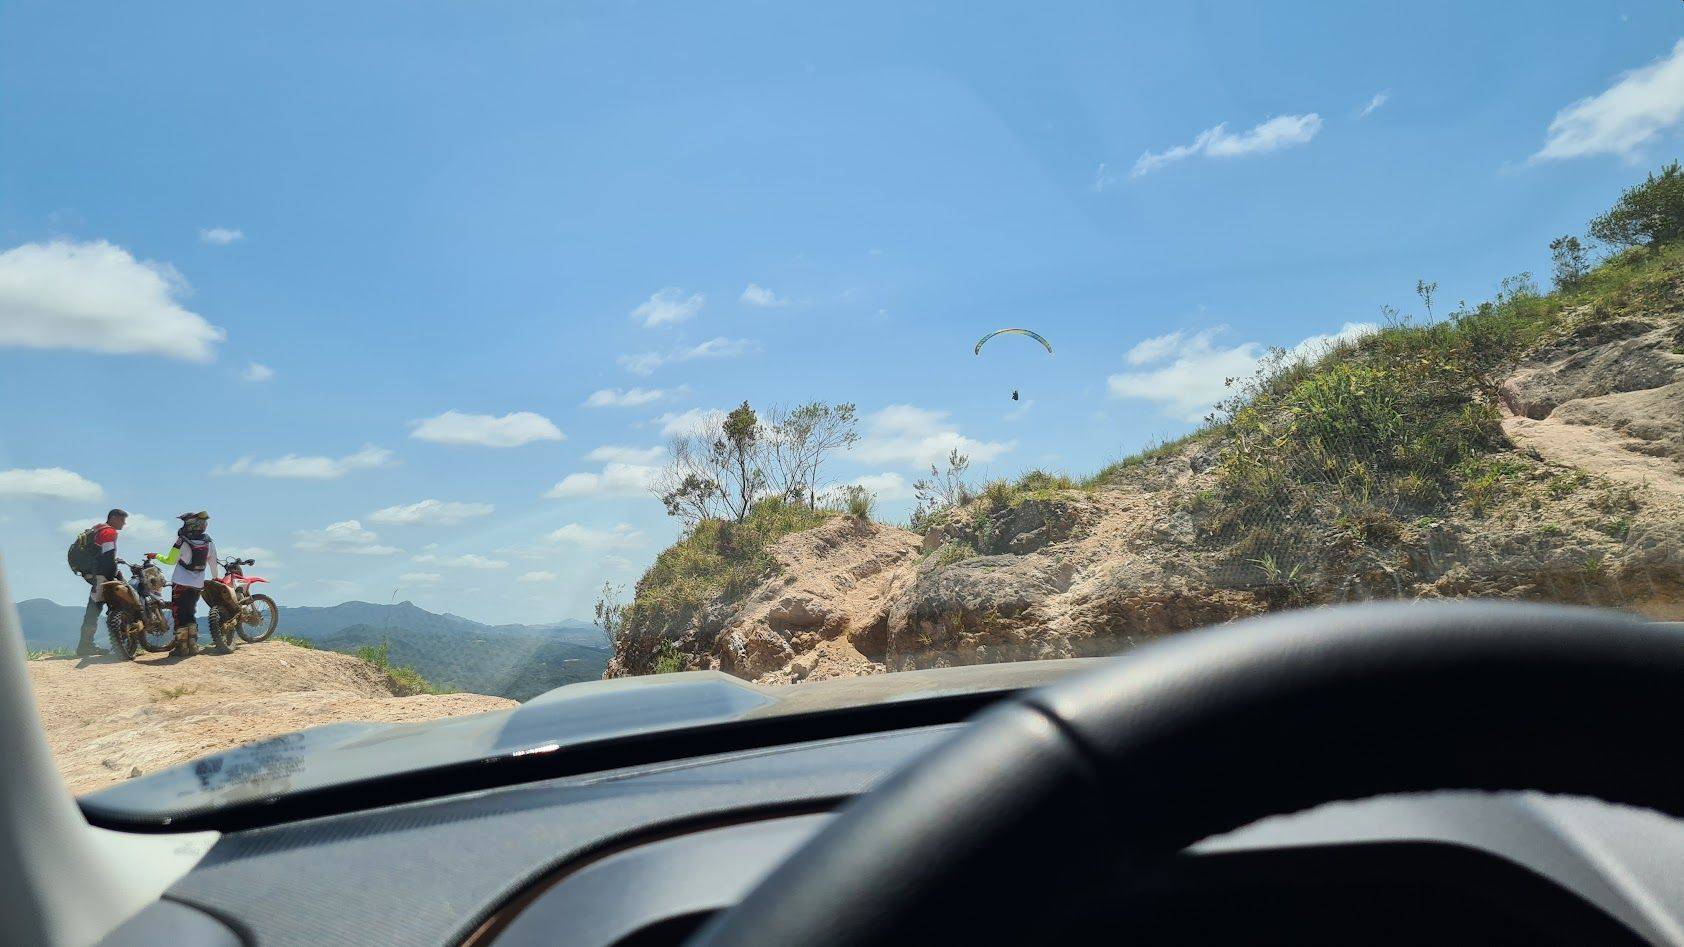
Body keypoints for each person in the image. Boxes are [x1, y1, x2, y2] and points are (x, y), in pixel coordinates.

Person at [70, 508, 127, 658]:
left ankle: (86, 645)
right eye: (122, 520)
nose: (124, 524)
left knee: (93, 609)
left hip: (93, 573)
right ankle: (91, 645)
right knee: (110, 606)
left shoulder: (97, 528)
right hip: (102, 575)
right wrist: (112, 575)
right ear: (113, 518)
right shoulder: (109, 532)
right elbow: (107, 555)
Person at [161, 511, 219, 655]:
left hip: (180, 582)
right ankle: (193, 645)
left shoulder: (181, 541)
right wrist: (215, 577)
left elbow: (170, 561)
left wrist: (156, 556)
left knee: (179, 614)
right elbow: (213, 563)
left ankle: (182, 647)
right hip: (197, 584)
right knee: (190, 612)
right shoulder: (209, 541)